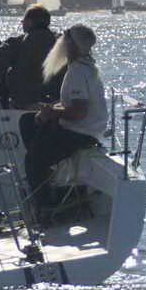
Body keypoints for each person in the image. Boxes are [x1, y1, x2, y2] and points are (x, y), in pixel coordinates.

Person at [22, 24, 109, 213]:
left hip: (80, 132)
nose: (59, 40)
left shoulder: (78, 71)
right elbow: (72, 104)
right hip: (87, 129)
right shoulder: (85, 66)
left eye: (64, 37)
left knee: (33, 160)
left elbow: (79, 112)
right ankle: (48, 175)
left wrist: (51, 113)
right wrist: (51, 109)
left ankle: (45, 204)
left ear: (71, 44)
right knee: (27, 122)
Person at [0, 4, 62, 109]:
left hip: (23, 105)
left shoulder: (16, 44)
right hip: (55, 106)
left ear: (29, 22)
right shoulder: (61, 45)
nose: (22, 24)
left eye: (23, 21)